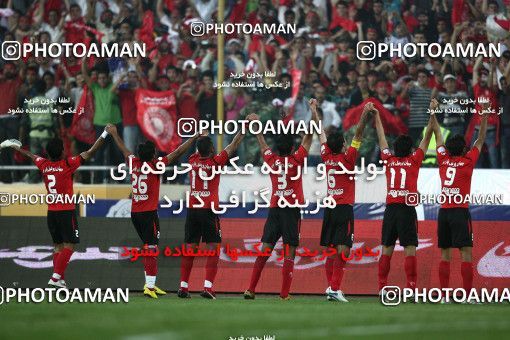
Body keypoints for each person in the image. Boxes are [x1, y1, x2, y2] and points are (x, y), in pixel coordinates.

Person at [0, 131, 107, 288]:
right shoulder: (68, 164)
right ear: (62, 151)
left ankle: (60, 281)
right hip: (66, 211)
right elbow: (90, 152)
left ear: (48, 154)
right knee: (70, 245)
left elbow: (30, 155)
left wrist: (14, 147)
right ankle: (55, 277)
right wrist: (104, 134)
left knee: (58, 246)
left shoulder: (44, 165)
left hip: (52, 213)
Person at [106, 124, 201, 299]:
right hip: (149, 214)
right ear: (152, 155)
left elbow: (124, 149)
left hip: (135, 213)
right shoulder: (156, 165)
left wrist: (114, 134)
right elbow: (178, 152)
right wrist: (194, 137)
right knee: (151, 248)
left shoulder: (133, 162)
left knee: (150, 247)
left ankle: (150, 284)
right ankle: (149, 286)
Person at [243, 110, 314, 300]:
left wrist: (256, 125)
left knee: (265, 248)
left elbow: (262, 143)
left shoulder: (271, 160)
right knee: (289, 251)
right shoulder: (297, 160)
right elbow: (309, 138)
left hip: (274, 209)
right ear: (292, 149)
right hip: (291, 211)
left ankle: (250, 289)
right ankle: (284, 294)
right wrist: (314, 113)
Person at [311, 99, 371, 302]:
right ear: (344, 146)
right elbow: (359, 133)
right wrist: (364, 113)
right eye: (346, 143)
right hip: (344, 209)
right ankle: (335, 288)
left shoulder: (326, 155)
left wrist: (313, 111)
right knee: (343, 249)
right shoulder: (348, 158)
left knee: (331, 249)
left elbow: (319, 132)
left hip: (329, 209)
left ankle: (331, 288)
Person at [374, 98, 435, 296]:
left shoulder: (388, 160)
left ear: (395, 149)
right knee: (410, 248)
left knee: (387, 249)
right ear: (410, 150)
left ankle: (382, 287)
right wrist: (432, 112)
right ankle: (411, 287)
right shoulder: (415, 160)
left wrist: (376, 117)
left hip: (391, 209)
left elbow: (381, 137)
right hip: (407, 210)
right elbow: (427, 137)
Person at [431, 101, 489, 303]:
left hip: (443, 212)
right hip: (460, 212)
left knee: (445, 254)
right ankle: (467, 295)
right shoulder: (468, 161)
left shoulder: (443, 159)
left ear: (448, 149)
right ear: (464, 149)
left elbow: (437, 134)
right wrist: (484, 115)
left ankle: (444, 295)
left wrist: (433, 112)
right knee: (466, 253)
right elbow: (480, 139)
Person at [178, 131, 245, 299]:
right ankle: (208, 287)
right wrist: (246, 126)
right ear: (212, 149)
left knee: (190, 249)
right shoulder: (216, 161)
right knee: (214, 248)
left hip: (193, 209)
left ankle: (183, 287)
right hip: (209, 210)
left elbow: (197, 150)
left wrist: (198, 137)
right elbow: (233, 145)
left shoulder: (192, 161)